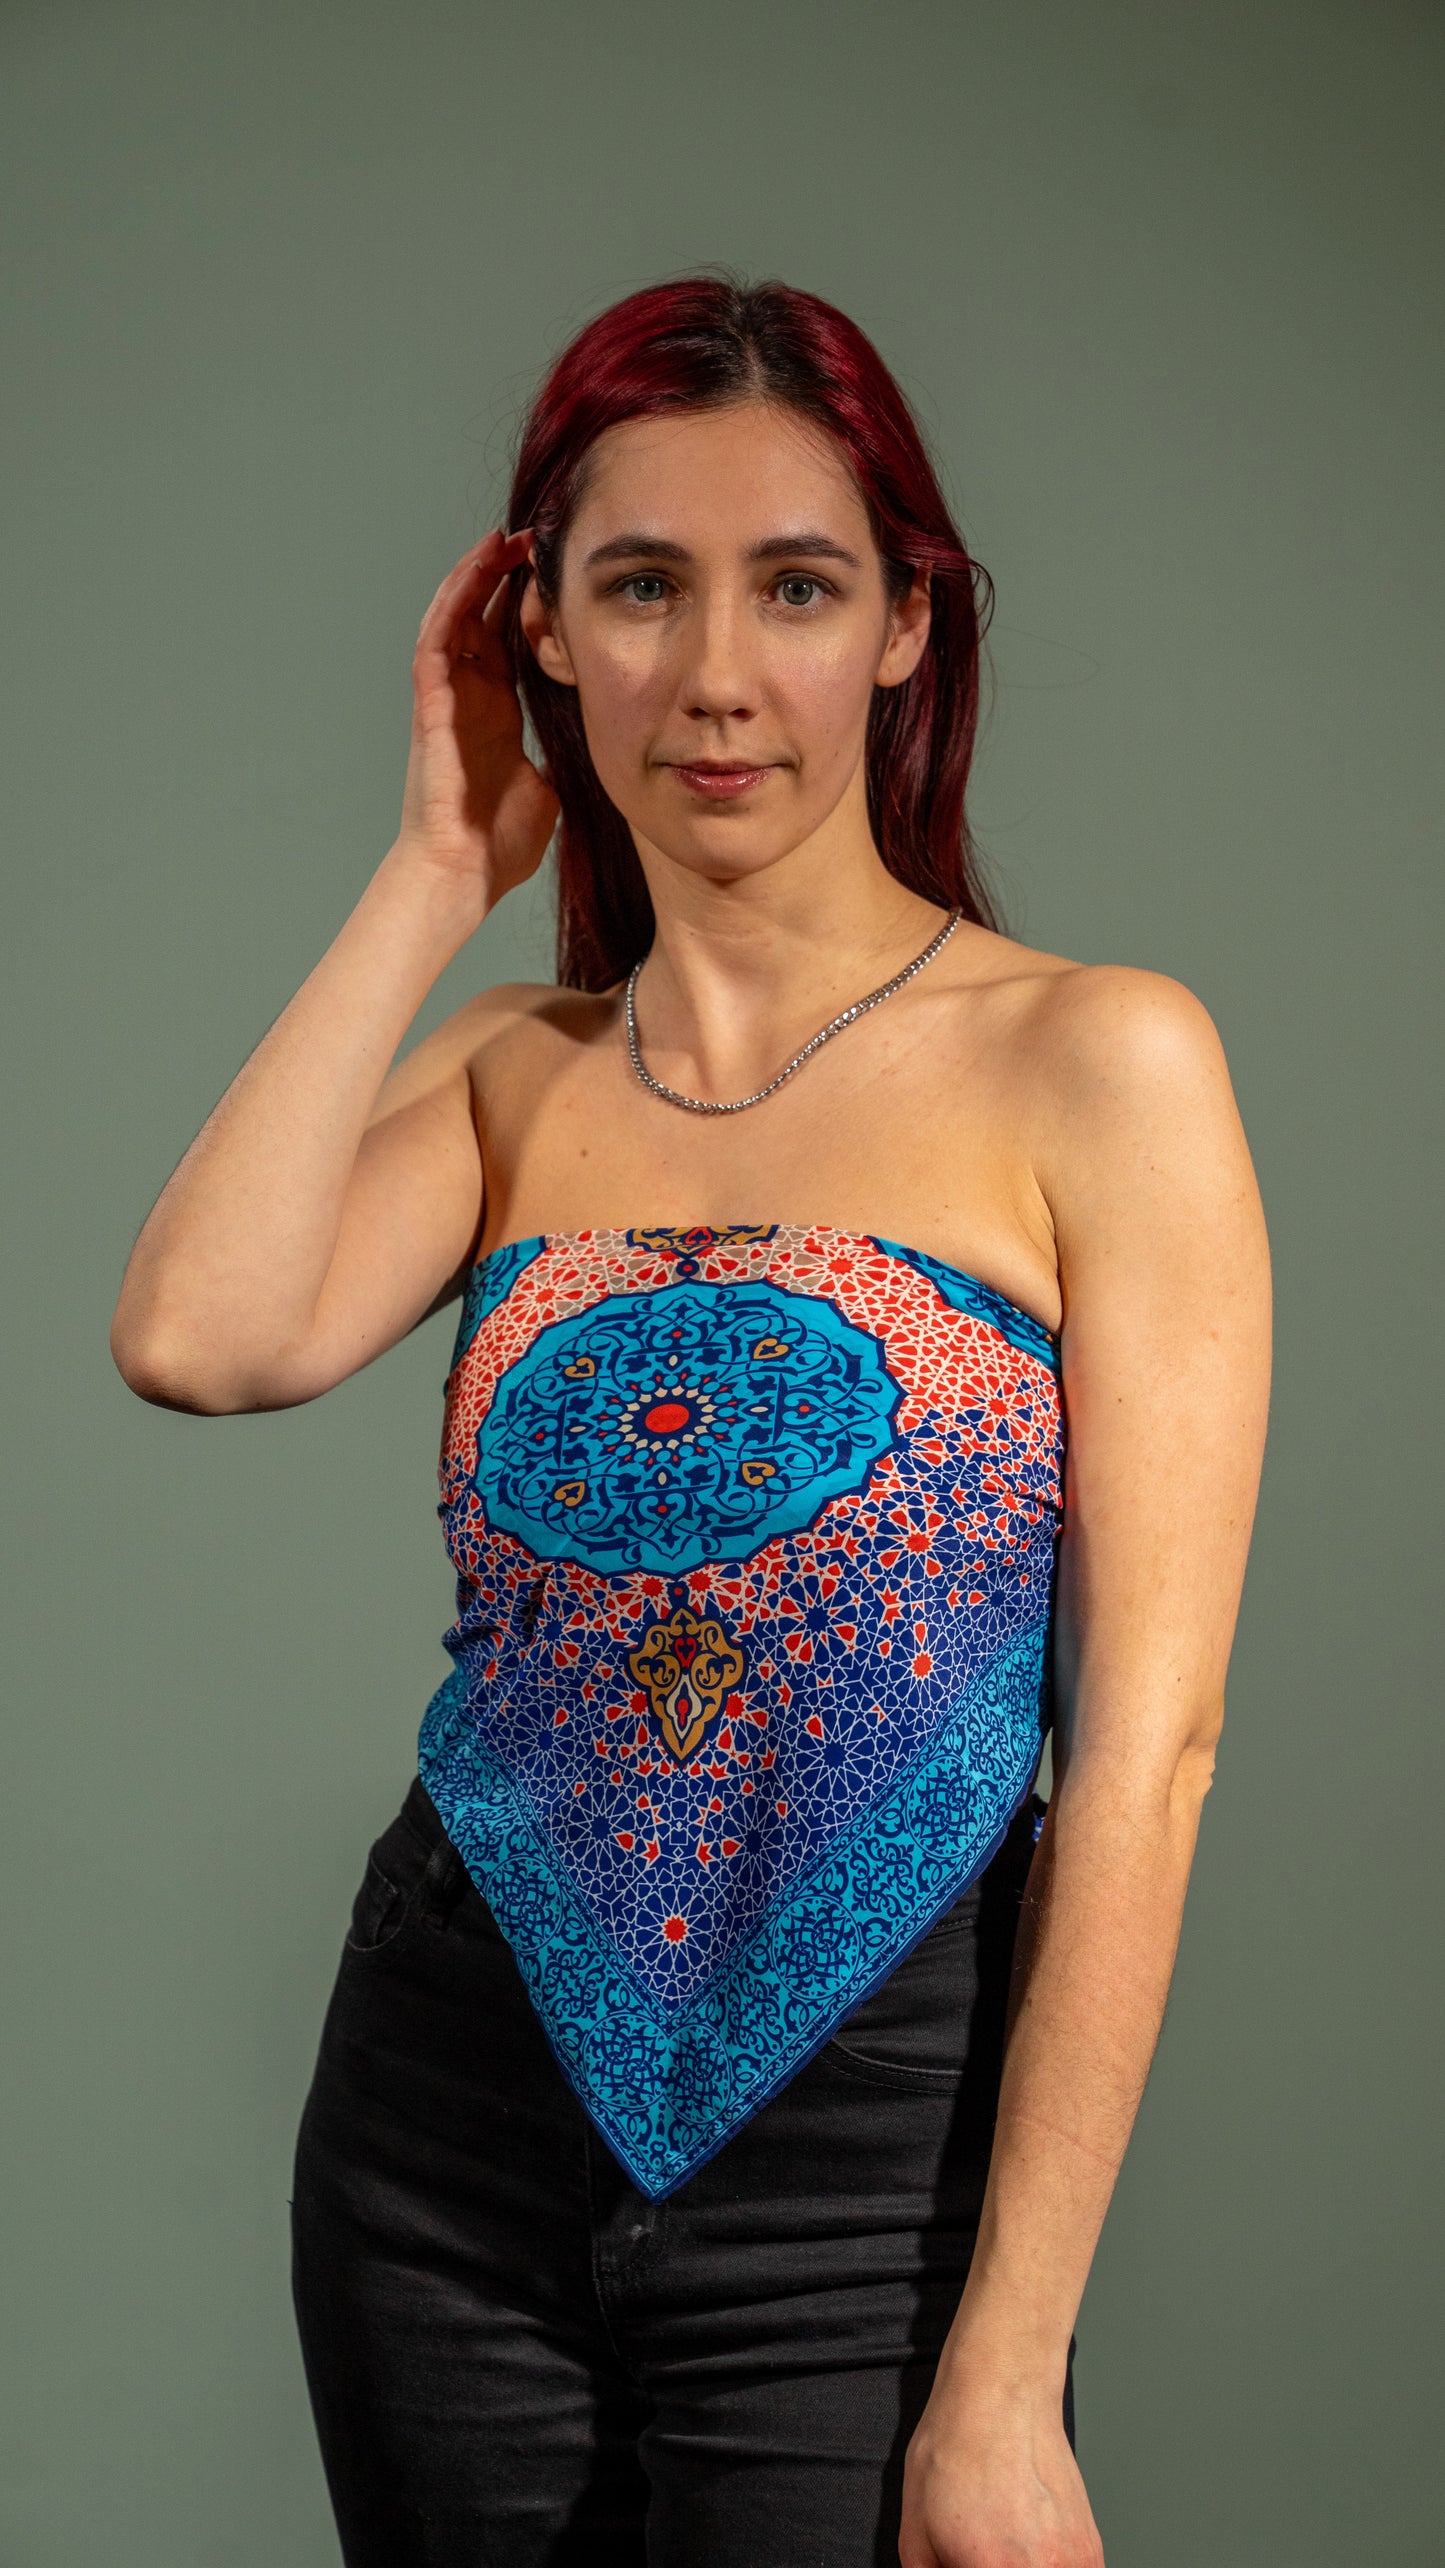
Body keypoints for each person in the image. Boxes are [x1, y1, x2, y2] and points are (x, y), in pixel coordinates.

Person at [109, 274, 1271, 2568]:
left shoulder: (1099, 1061)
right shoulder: (508, 1070)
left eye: (799, 586)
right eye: (640, 587)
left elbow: (1146, 1748)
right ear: (539, 629)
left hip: (879, 2158)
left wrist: (1011, 2372)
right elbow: (197, 1332)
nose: (717, 675)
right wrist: (437, 862)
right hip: (443, 2130)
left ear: (910, 630)